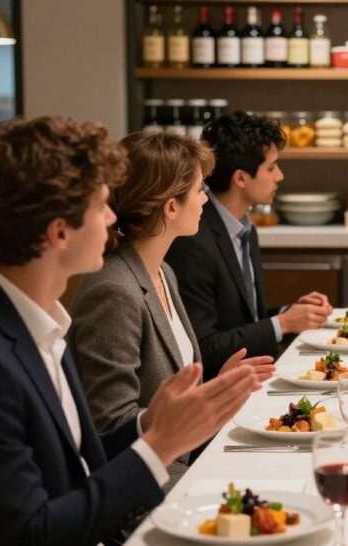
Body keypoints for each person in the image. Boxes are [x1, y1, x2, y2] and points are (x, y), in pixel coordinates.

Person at [0, 116, 260, 546]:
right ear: (59, 232)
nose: (111, 217)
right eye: (102, 204)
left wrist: (151, 424)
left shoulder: (37, 319)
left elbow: (77, 463)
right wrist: (159, 445)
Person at [68, 131, 275, 488]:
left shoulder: (163, 272)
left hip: (185, 461)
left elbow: (170, 395)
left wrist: (215, 387)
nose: (206, 200)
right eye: (199, 190)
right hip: (145, 485)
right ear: (171, 207)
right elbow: (109, 429)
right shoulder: (113, 290)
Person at [166, 112, 331, 379]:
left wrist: (289, 313)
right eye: (271, 167)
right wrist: (282, 324)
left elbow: (242, 321)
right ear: (241, 178)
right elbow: (204, 348)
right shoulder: (193, 240)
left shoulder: (244, 227)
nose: (280, 175)